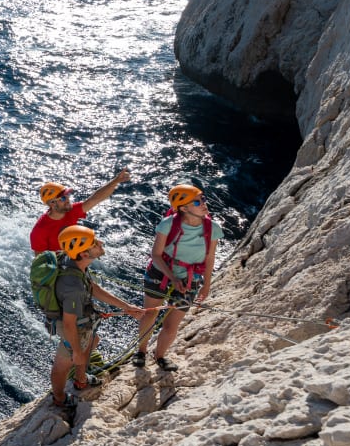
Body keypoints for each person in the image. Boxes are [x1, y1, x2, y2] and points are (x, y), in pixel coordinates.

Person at [51, 225, 144, 408]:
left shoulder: (75, 264)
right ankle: (59, 399)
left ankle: (81, 379)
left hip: (80, 321)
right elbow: (69, 325)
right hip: (72, 326)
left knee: (92, 341)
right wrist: (76, 351)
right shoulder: (73, 287)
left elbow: (93, 288)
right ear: (84, 254)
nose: (100, 243)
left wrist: (126, 307)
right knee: (63, 365)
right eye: (94, 243)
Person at [132, 184, 222, 371]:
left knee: (172, 323)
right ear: (184, 208)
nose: (204, 203)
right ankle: (141, 351)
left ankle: (160, 356)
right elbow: (156, 255)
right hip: (161, 272)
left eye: (203, 198)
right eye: (197, 201)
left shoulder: (212, 228)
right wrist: (172, 277)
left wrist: (206, 285)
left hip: (190, 279)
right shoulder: (168, 224)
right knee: (150, 313)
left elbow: (210, 257)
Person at [30, 168, 131, 254]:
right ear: (52, 204)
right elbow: (41, 263)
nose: (68, 200)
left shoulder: (71, 210)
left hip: (75, 256)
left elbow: (95, 199)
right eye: (63, 198)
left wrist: (115, 181)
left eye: (68, 196)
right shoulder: (39, 231)